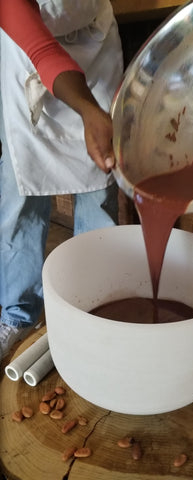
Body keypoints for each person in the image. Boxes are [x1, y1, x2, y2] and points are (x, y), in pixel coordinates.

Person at [0, 0, 123, 360]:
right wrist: (87, 110)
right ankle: (18, 313)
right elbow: (41, 48)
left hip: (96, 48)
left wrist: (95, 110)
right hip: (28, 55)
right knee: (21, 195)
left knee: (99, 188)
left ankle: (93, 310)